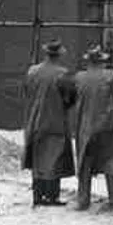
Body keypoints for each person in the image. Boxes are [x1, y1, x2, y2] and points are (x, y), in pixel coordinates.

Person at [21, 39, 77, 207]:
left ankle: (38, 196)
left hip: (34, 121)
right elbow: (71, 98)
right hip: (55, 121)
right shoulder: (62, 73)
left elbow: (26, 92)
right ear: (59, 55)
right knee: (54, 160)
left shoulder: (32, 71)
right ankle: (52, 196)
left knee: (38, 159)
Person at [73, 45, 113, 211]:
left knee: (85, 162)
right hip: (107, 124)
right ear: (102, 61)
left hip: (85, 125)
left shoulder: (79, 77)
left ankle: (83, 200)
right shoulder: (111, 75)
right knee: (111, 160)